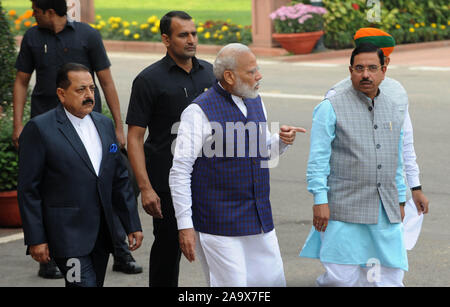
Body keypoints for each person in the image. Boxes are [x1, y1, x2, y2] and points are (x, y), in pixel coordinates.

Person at [12, 0, 142, 278]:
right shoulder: (33, 37)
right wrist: (18, 124)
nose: (89, 93)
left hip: (85, 127)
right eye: (81, 88)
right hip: (50, 128)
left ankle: (119, 249)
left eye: (89, 88)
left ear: (50, 10)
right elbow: (30, 189)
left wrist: (118, 125)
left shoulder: (88, 36)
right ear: (63, 93)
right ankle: (50, 252)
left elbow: (107, 81)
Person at [169, 43, 306, 287]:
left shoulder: (256, 101)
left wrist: (281, 142)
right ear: (229, 76)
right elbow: (179, 171)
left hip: (259, 217)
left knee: (271, 282)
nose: (259, 76)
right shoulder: (198, 111)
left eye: (258, 70)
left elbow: (260, 152)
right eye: (252, 72)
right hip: (217, 223)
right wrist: (185, 226)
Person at [300, 43, 408, 287]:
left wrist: (400, 199)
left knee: (389, 275)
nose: (366, 74)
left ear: (383, 70)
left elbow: (396, 161)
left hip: (385, 208)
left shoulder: (393, 108)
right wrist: (320, 200)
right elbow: (318, 159)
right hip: (343, 207)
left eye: (372, 68)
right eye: (359, 68)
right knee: (341, 277)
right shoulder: (331, 107)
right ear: (350, 71)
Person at [126, 11, 215, 287]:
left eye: (194, 33)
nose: (191, 40)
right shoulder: (148, 80)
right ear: (166, 39)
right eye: (183, 35)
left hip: (209, 179)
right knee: (168, 250)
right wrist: (145, 187)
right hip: (167, 182)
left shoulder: (212, 74)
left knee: (218, 249)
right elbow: (135, 137)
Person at [325, 28, 430, 234]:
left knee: (389, 259)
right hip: (349, 200)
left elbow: (404, 144)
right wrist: (323, 199)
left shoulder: (397, 93)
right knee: (348, 259)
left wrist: (414, 189)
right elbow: (323, 155)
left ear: (385, 64)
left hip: (392, 193)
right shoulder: (335, 96)